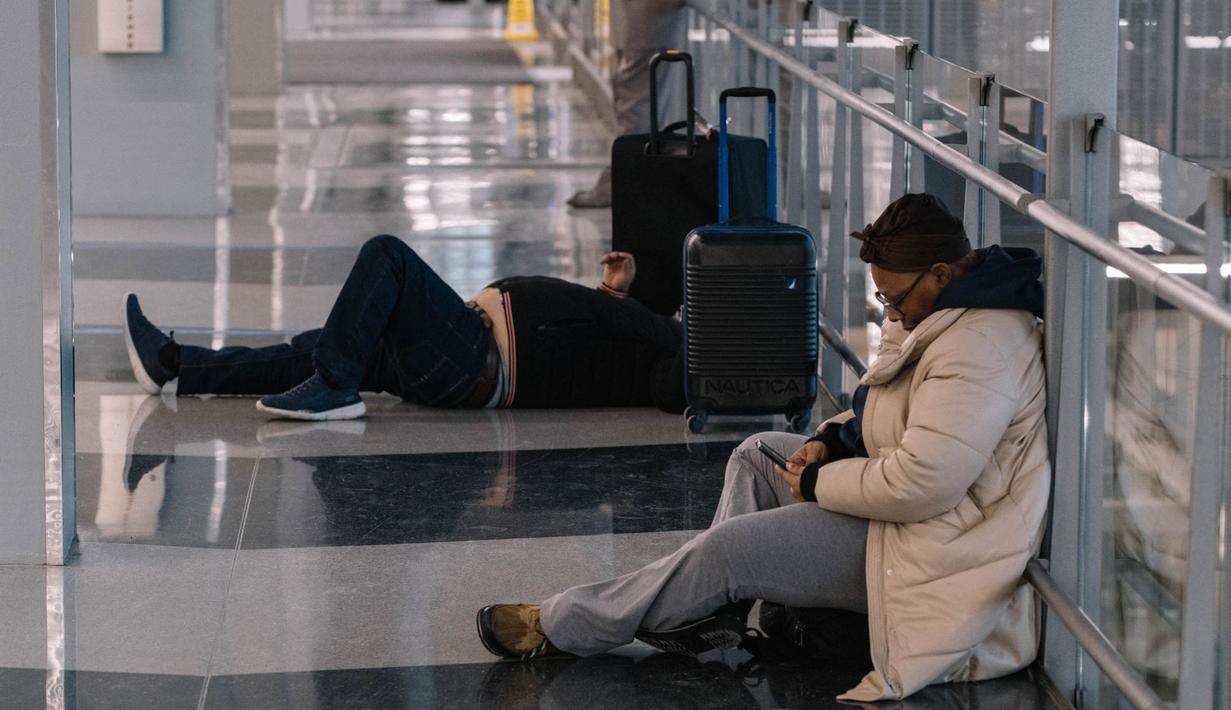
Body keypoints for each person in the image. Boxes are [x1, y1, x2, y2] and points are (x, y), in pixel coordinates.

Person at [475, 193, 1052, 702]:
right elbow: (886, 405)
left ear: (942, 273)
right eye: (882, 300)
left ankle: (561, 624)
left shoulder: (980, 345)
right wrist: (830, 440)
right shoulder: (936, 312)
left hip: (934, 549)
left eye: (895, 299)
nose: (890, 312)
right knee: (756, 454)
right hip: (910, 520)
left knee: (731, 551)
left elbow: (923, 483)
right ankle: (711, 610)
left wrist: (815, 483)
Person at [123, 235, 685, 420]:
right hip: (461, 351)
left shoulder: (673, 347)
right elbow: (598, 349)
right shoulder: (647, 331)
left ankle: (336, 388)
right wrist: (614, 293)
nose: (686, 313)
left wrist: (670, 330)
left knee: (387, 256)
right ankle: (177, 366)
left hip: (474, 361)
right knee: (316, 350)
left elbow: (664, 383)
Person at [566, 0, 687, 209]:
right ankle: (625, 183)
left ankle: (623, 182)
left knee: (633, 103)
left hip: (642, 20)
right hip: (646, 22)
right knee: (635, 104)